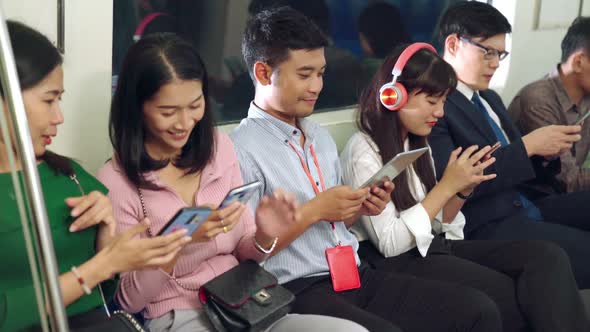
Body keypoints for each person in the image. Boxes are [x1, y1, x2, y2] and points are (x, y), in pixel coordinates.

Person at [231, 6, 518, 332]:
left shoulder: (319, 137)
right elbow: (246, 255)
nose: (316, 87)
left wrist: (358, 208)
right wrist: (312, 211)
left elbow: (338, 224)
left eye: (321, 73)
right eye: (304, 74)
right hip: (296, 287)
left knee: (478, 310)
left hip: (353, 273)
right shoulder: (241, 150)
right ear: (264, 73)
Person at [97, 32, 367, 332]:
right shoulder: (116, 181)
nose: (185, 122)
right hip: (179, 316)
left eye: (195, 105)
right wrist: (179, 241)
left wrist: (265, 236)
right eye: (167, 112)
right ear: (137, 108)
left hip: (244, 303)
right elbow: (128, 299)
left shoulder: (218, 147)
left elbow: (243, 249)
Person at [341, 42, 590, 331]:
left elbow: (440, 224)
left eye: (444, 101)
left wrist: (462, 189)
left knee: (548, 256)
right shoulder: (364, 150)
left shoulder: (416, 142)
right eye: (432, 101)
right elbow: (391, 244)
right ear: (393, 95)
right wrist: (447, 186)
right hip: (394, 259)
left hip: (430, 245)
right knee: (503, 293)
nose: (441, 112)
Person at [0, 21, 191, 331]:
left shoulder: (69, 176)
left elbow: (107, 296)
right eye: (49, 100)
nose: (59, 117)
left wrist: (107, 238)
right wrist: (101, 266)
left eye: (60, 99)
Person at [428, 1, 590, 289]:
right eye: (487, 52)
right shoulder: (437, 107)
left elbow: (521, 164)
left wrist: (547, 153)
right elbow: (453, 184)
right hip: (486, 221)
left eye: (500, 54)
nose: (495, 63)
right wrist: (528, 146)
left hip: (526, 202)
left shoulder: (489, 99)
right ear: (453, 44)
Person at [509, 16, 590, 193]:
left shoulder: (586, 95)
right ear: (579, 62)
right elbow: (568, 182)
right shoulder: (538, 100)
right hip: (532, 201)